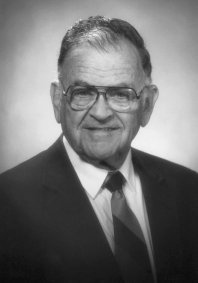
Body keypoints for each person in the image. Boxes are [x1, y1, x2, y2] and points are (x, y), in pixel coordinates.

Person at [0, 15, 198, 283]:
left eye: (121, 94)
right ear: (58, 101)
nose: (101, 113)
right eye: (83, 92)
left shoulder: (189, 190)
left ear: (147, 105)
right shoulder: (7, 203)